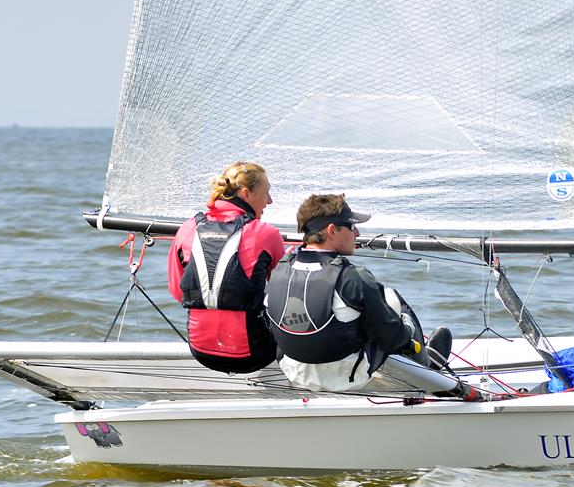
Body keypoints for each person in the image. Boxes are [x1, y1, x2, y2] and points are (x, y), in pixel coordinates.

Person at [265, 193, 452, 392]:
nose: (357, 233)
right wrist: (408, 338)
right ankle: (429, 371)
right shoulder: (353, 277)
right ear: (331, 231)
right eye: (352, 226)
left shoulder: (280, 269)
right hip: (347, 377)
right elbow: (392, 338)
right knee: (394, 304)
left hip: (295, 371)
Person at [167, 161, 284, 374]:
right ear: (246, 194)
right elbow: (285, 296)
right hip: (254, 356)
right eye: (266, 193)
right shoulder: (266, 233)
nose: (269, 201)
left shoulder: (187, 228)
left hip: (200, 351)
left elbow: (178, 291)